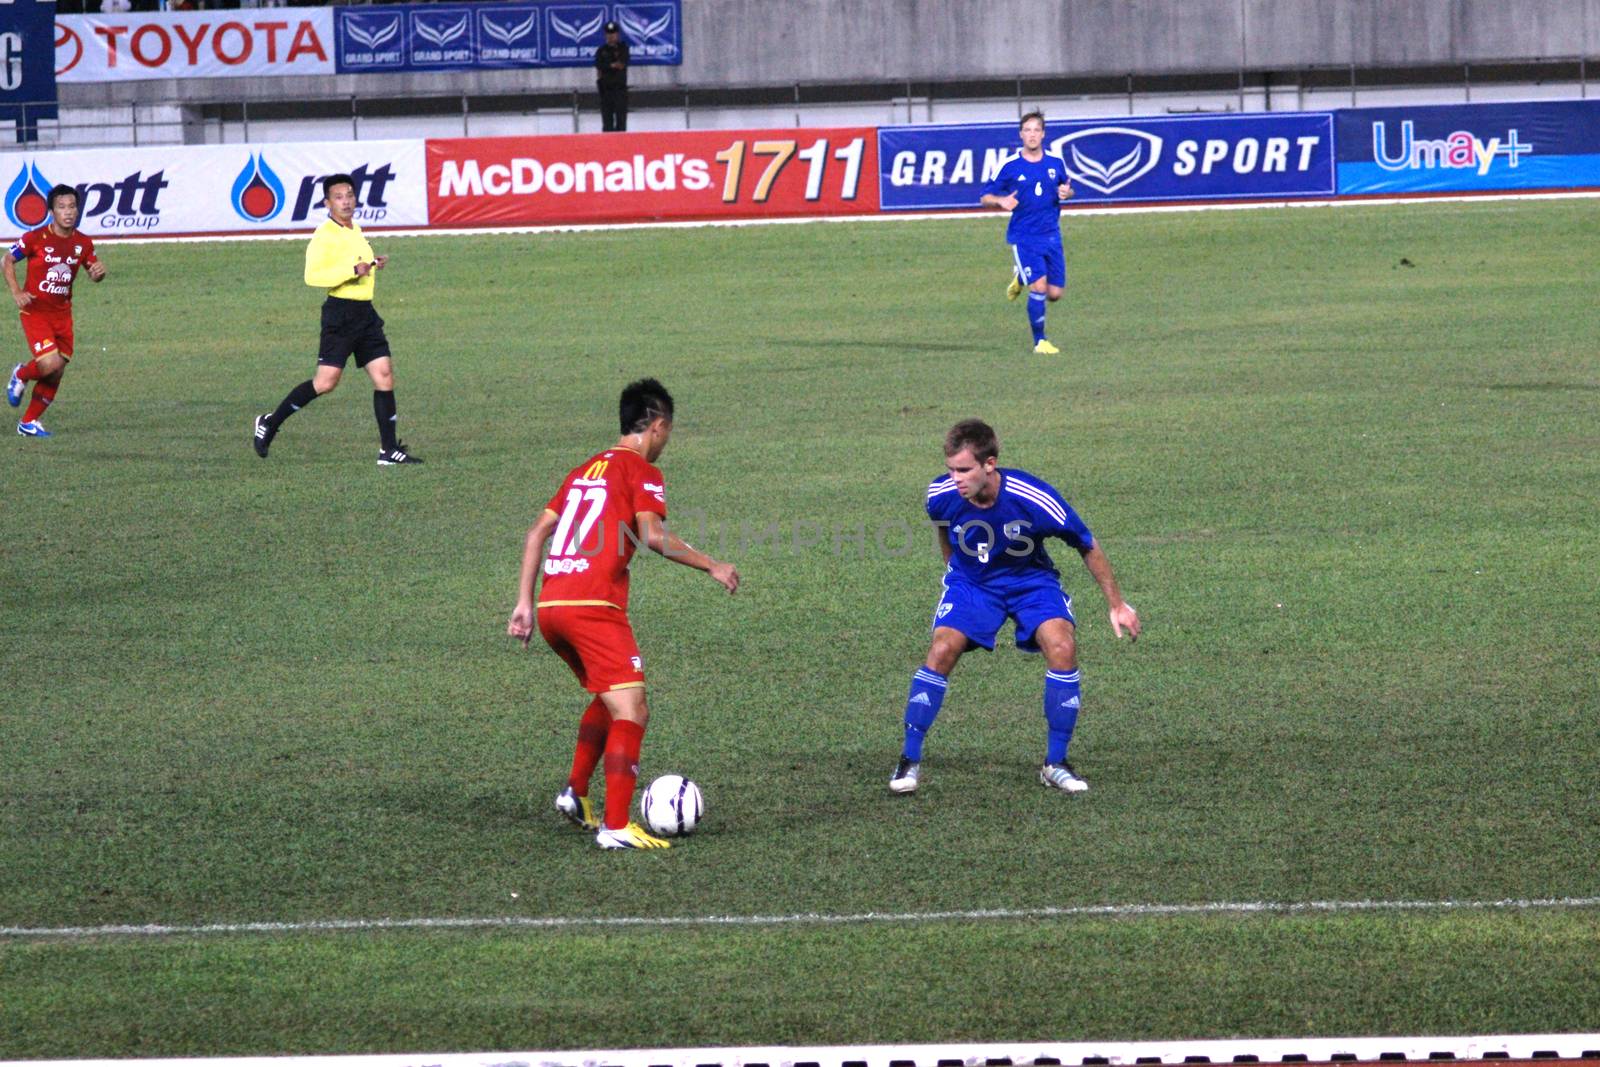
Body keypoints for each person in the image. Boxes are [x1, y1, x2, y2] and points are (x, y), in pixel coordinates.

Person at [507, 378, 739, 850]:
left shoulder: (582, 470)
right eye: (667, 432)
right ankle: (615, 827)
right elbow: (653, 536)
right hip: (593, 607)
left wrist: (524, 604)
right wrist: (711, 564)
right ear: (656, 425)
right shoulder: (640, 469)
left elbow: (536, 534)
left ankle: (576, 792)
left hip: (553, 606)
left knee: (611, 698)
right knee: (634, 708)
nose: (666, 443)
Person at [890, 418, 1140, 795]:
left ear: (989, 464)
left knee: (1062, 646)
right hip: (973, 584)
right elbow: (942, 526)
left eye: (964, 470)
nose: (955, 478)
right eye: (951, 469)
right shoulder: (940, 494)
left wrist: (1116, 604)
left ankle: (1055, 763)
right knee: (941, 649)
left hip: (1030, 582)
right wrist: (955, 572)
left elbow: (1086, 543)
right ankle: (908, 761)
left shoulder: (1033, 497)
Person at [251, 173, 420, 466]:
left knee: (384, 375)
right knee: (326, 382)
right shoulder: (324, 235)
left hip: (365, 315)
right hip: (340, 315)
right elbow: (313, 276)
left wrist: (372, 265)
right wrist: (353, 271)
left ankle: (389, 450)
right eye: (339, 197)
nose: (346, 202)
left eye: (350, 195)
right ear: (328, 202)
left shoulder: (355, 229)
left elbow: (357, 267)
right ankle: (270, 421)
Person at [6, 185, 108, 439]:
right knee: (49, 363)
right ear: (51, 211)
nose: (68, 212)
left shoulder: (83, 243)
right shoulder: (35, 238)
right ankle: (21, 373)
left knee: (57, 370)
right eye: (62, 207)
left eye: (72, 206)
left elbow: (92, 270)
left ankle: (28, 422)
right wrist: (17, 291)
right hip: (35, 312)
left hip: (63, 316)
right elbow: (6, 260)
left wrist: (98, 274)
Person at [980, 111, 1074, 356]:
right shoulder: (1010, 166)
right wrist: (1000, 201)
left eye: (1036, 130)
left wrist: (1068, 193)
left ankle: (1020, 276)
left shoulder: (1055, 163)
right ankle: (1039, 342)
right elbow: (985, 196)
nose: (1032, 135)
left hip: (1052, 235)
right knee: (1040, 288)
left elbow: (1067, 188)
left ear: (1043, 134)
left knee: (1055, 294)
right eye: (1027, 130)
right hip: (1024, 236)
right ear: (1021, 134)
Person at [594, 20, 629, 132]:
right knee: (607, 123)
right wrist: (612, 65)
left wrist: (608, 66)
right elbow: (599, 66)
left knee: (621, 122)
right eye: (608, 34)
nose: (611, 36)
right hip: (606, 91)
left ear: (617, 34)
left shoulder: (623, 48)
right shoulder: (601, 51)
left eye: (613, 34)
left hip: (619, 90)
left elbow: (621, 64)